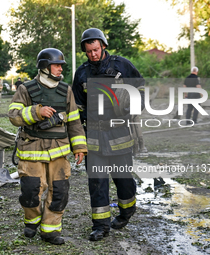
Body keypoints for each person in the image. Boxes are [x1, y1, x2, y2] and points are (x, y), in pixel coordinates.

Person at [8, 48, 87, 245]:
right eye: (56, 65)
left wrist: (79, 147)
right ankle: (32, 221)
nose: (61, 69)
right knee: (31, 191)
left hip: (59, 152)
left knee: (59, 191)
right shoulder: (26, 89)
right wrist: (36, 111)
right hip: (31, 150)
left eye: (61, 65)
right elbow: (13, 115)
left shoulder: (66, 91)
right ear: (44, 67)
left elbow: (74, 121)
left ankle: (50, 230)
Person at [72, 28, 145, 241]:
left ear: (103, 45)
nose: (93, 54)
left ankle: (126, 210)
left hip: (119, 134)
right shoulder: (82, 73)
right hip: (93, 137)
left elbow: (141, 90)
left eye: (95, 50)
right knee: (97, 182)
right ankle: (100, 226)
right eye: (88, 52)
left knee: (123, 180)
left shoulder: (123, 66)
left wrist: (133, 105)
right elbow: (77, 106)